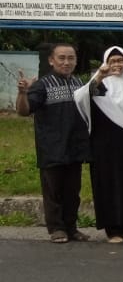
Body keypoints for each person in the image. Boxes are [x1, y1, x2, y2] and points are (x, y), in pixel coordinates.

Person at [15, 42, 90, 243]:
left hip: (75, 148)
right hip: (52, 148)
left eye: (71, 58)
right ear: (51, 60)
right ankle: (56, 228)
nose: (66, 62)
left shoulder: (78, 84)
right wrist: (22, 93)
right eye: (61, 58)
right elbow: (24, 111)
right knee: (53, 192)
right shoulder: (42, 85)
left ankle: (72, 228)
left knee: (73, 193)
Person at [74, 45, 123, 243]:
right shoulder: (100, 83)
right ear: (106, 62)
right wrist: (99, 76)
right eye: (112, 61)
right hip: (104, 145)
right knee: (109, 184)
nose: (117, 64)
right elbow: (81, 97)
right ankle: (112, 230)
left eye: (120, 60)